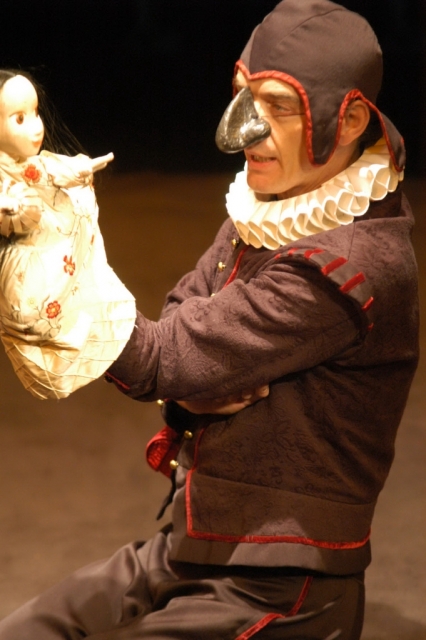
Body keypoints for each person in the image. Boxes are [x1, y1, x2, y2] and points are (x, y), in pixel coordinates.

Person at [0, 1, 419, 638]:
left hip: (279, 583)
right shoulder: (274, 203)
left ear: (350, 118)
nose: (243, 129)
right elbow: (182, 318)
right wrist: (194, 377)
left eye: (278, 106)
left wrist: (40, 258)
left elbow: (163, 356)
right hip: (191, 546)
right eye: (243, 94)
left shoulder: (346, 265)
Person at [0, 70, 136, 399]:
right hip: (27, 262)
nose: (36, 126)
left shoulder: (35, 164)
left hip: (49, 240)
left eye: (35, 113)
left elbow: (54, 170)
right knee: (34, 307)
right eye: (20, 119)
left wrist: (80, 169)